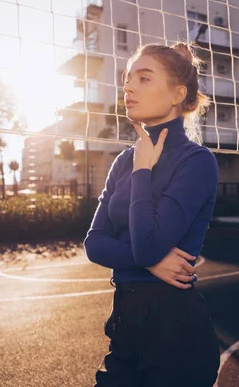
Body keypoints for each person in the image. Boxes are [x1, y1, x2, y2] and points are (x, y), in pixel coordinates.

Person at [83, 41, 221, 386]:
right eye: (129, 78)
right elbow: (94, 243)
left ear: (177, 94)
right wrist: (150, 261)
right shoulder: (123, 160)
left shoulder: (197, 161)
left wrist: (144, 170)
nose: (128, 86)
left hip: (175, 330)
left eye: (144, 78)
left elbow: (146, 244)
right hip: (127, 322)